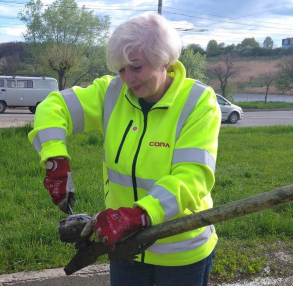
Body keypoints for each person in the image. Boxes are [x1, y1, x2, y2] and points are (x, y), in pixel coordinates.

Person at [28, 12, 221, 286]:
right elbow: (52, 107)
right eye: (121, 69)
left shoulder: (198, 102)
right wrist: (55, 160)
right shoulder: (112, 93)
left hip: (179, 251)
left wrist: (139, 214)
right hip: (123, 248)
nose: (128, 78)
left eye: (137, 67)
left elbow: (193, 176)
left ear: (164, 60)